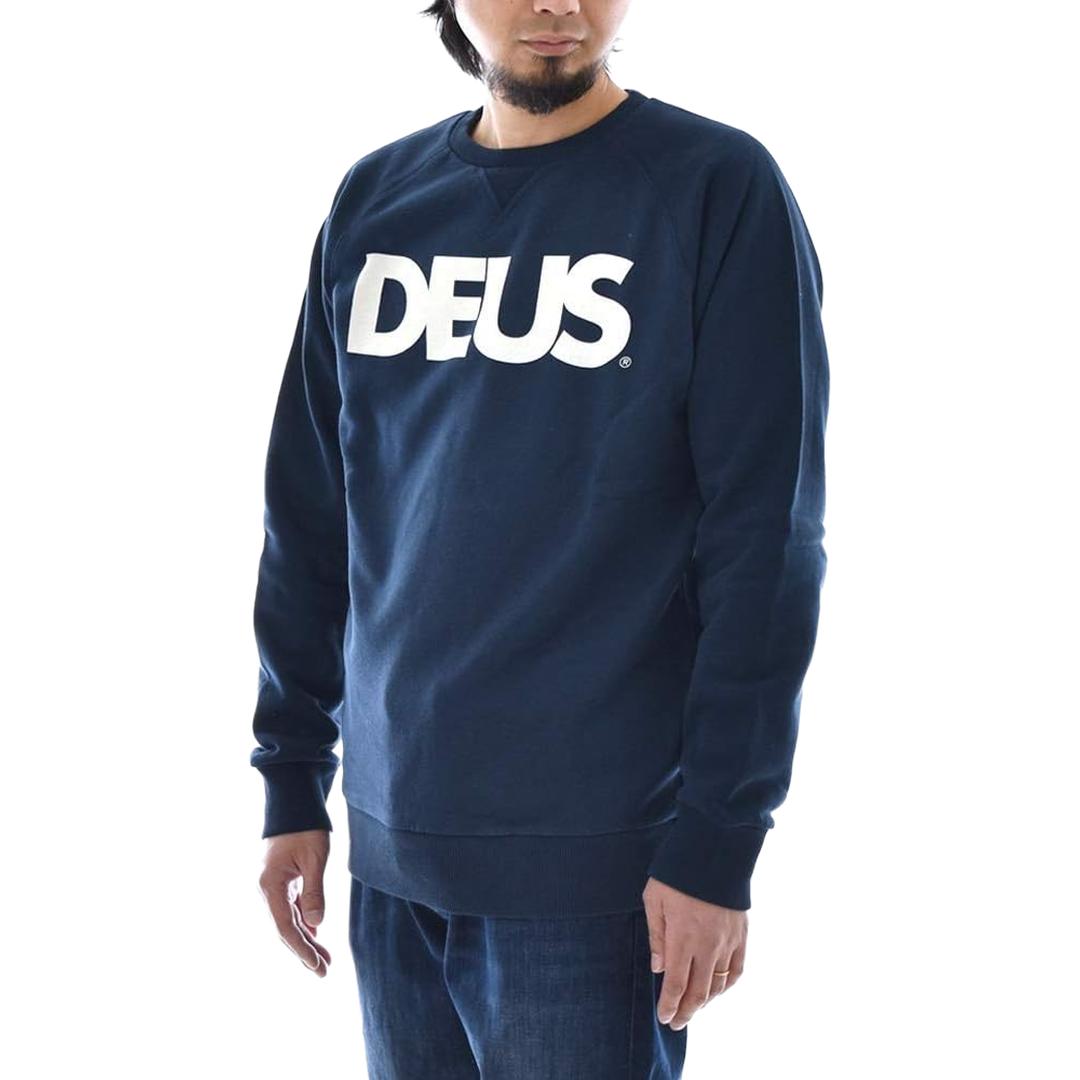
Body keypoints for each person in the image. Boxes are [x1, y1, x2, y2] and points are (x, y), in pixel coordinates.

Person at [250, 1, 829, 1076]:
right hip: (390, 850)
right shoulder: (376, 200)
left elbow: (768, 542)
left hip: (597, 873)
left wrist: (718, 841)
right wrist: (292, 773)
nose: (558, 4)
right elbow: (312, 510)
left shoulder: (714, 187)